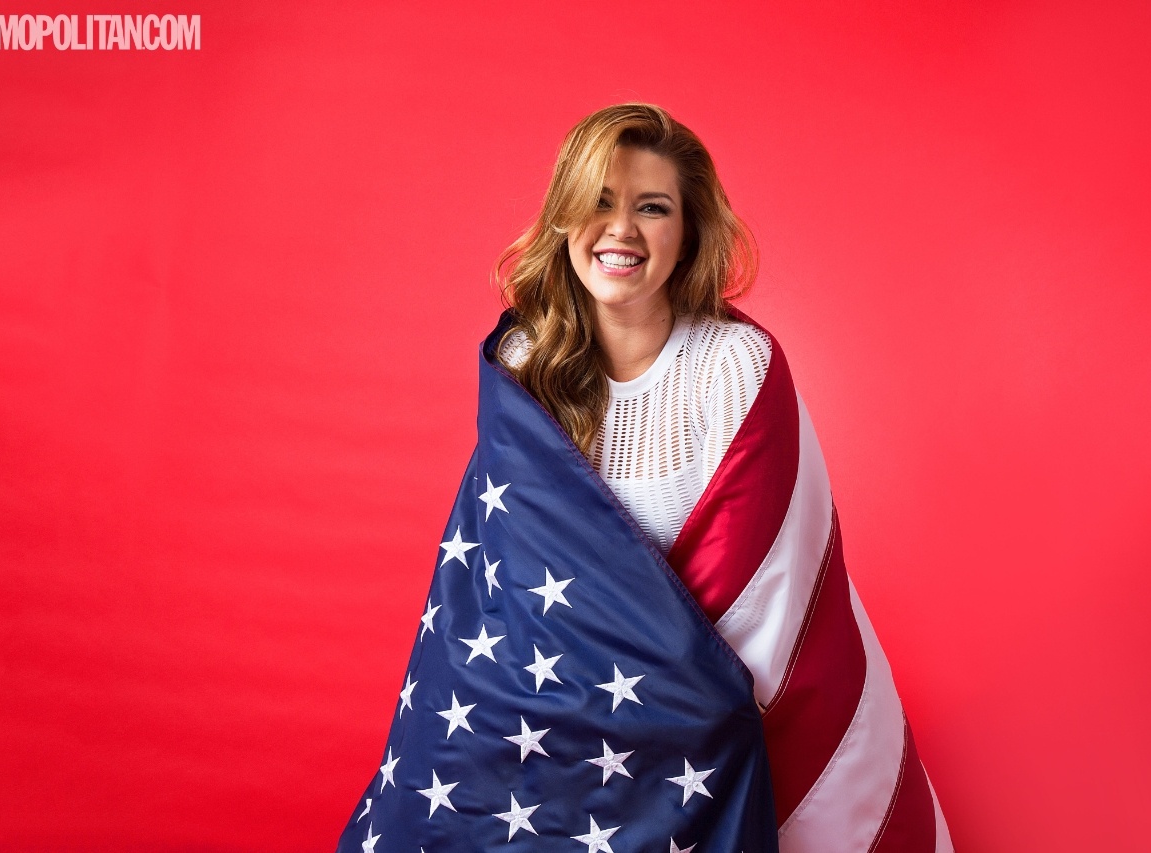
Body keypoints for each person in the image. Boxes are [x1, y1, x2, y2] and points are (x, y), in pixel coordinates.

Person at [336, 103, 952, 853]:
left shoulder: (733, 367)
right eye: (598, 202)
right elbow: (499, 592)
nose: (621, 229)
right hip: (541, 722)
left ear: (687, 233)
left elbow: (757, 605)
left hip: (679, 735)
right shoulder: (526, 363)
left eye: (652, 207)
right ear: (564, 219)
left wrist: (631, 727)